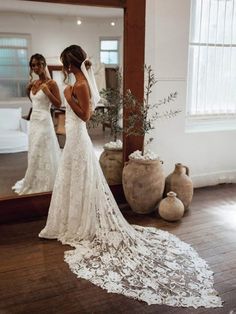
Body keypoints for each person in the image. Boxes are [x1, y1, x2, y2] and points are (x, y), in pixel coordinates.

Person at [39, 45, 222, 308]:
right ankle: (71, 218)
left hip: (79, 137)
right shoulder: (75, 82)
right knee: (72, 178)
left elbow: (87, 115)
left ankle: (81, 223)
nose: (64, 67)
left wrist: (68, 97)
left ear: (70, 64)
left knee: (79, 175)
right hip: (74, 139)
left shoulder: (77, 85)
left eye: (64, 63)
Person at [12, 54, 62, 195]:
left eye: (39, 64)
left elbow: (58, 104)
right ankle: (34, 179)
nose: (36, 67)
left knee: (43, 149)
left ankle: (47, 181)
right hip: (34, 121)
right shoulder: (33, 84)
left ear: (44, 65)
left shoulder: (51, 84)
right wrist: (28, 91)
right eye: (33, 65)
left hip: (44, 121)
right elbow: (35, 102)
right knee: (34, 150)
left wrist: (47, 92)